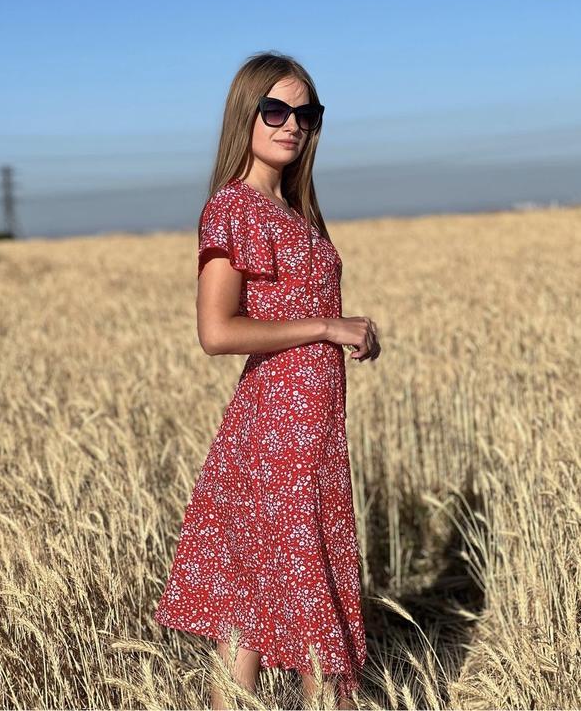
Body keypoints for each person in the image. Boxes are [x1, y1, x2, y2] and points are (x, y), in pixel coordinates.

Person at [154, 50, 381, 710]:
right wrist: (327, 327)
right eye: (275, 110)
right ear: (245, 114)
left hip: (316, 433)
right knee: (303, 603)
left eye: (306, 114)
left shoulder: (298, 211)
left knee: (254, 601)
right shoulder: (234, 208)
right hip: (276, 434)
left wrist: (350, 332)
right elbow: (216, 331)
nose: (292, 125)